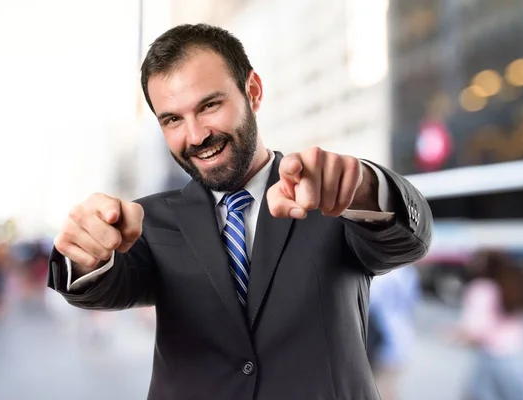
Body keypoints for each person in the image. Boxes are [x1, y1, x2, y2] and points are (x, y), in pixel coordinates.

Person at [47, 23, 432, 400]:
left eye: (210, 105)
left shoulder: (329, 200)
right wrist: (84, 253)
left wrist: (362, 186)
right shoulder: (149, 222)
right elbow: (98, 289)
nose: (196, 135)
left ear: (253, 91)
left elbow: (410, 241)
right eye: (173, 120)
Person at [449, 250, 523, 400]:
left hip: (492, 360)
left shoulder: (481, 288)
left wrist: (454, 334)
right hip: (519, 358)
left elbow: (475, 332)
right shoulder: (515, 284)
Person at [368, 265, 421, 400]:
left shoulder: (378, 274)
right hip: (402, 335)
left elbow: (370, 304)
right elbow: (412, 303)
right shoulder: (407, 271)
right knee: (388, 388)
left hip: (383, 338)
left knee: (379, 390)